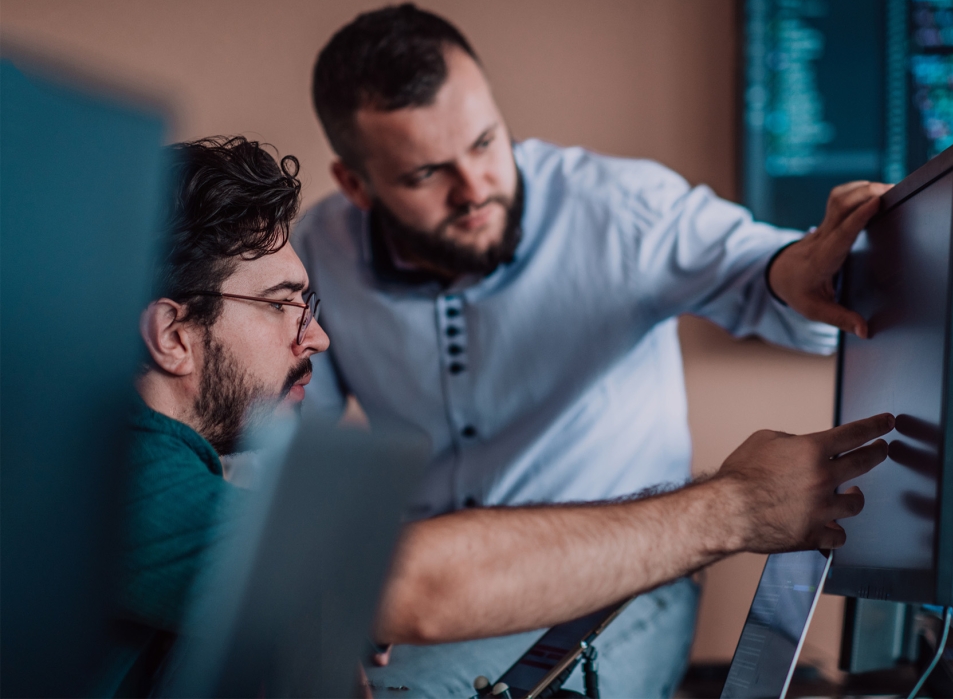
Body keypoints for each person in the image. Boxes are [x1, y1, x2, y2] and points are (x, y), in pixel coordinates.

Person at [103, 135, 892, 697]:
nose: (319, 335)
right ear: (174, 333)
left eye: (309, 303)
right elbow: (416, 583)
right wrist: (740, 504)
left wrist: (315, 605)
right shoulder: (117, 475)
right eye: (284, 306)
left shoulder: (152, 466)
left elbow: (746, 265)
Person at [295, 4, 893, 695]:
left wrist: (797, 265)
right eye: (427, 174)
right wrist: (312, 607)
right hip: (429, 590)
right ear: (354, 186)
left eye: (486, 142)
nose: (475, 188)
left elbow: (759, 268)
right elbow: (281, 438)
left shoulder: (619, 207)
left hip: (618, 577)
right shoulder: (318, 252)